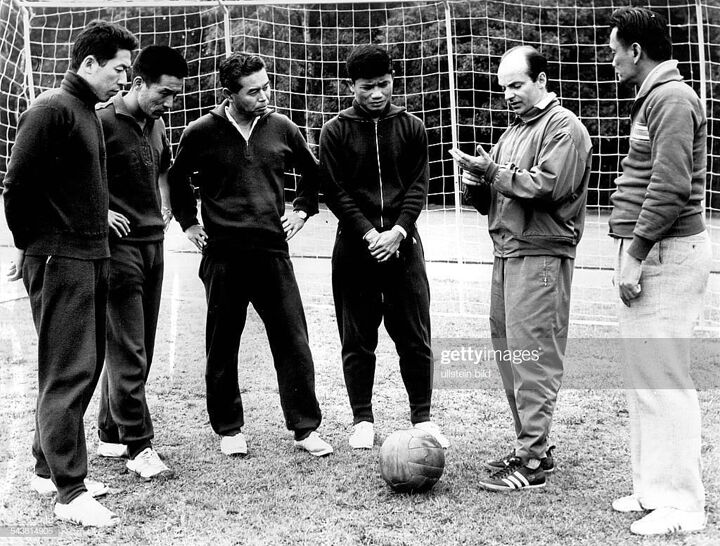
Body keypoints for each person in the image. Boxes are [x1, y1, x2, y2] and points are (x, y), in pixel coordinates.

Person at [3, 21, 137, 527]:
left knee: (82, 364)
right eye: (118, 69)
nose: (124, 80)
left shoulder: (87, 111)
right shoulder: (51, 108)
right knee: (69, 370)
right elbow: (17, 187)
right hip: (62, 259)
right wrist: (32, 246)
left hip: (91, 256)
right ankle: (70, 492)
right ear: (89, 63)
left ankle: (47, 469)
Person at [167, 53, 332, 458]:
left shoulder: (282, 127)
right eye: (253, 91)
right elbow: (176, 178)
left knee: (293, 341)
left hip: (272, 250)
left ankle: (305, 428)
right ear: (229, 93)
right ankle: (229, 429)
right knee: (222, 344)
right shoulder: (200, 131)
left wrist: (302, 209)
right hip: (222, 254)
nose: (264, 96)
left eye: (266, 87)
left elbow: (314, 172)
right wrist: (188, 223)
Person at [450, 46, 591, 491]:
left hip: (540, 255)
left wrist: (492, 172)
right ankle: (533, 447)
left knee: (533, 358)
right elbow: (494, 196)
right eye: (504, 87)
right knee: (510, 355)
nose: (508, 94)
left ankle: (531, 463)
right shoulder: (512, 131)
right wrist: (475, 182)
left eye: (517, 85)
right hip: (507, 253)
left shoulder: (563, 127)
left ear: (541, 80)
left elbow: (548, 186)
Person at [606, 7, 710, 535]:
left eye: (614, 51)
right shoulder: (654, 97)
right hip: (652, 251)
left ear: (636, 50)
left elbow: (670, 187)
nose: (612, 60)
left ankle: (683, 507)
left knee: (664, 379)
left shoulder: (670, 98)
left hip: (665, 253)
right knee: (645, 378)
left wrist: (636, 251)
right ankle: (653, 490)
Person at [320, 44, 448, 450]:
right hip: (355, 248)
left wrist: (398, 232)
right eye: (366, 87)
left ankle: (423, 418)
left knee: (415, 337)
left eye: (384, 84)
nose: (376, 94)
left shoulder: (412, 127)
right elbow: (334, 190)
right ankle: (362, 419)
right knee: (357, 339)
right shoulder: (334, 130)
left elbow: (418, 185)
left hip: (403, 246)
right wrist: (368, 233)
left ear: (393, 80)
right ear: (351, 87)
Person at [94, 45, 188, 481]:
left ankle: (110, 431)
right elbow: (67, 176)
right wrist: (100, 212)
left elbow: (164, 169)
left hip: (154, 244)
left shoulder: (158, 124)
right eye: (163, 93)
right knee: (129, 348)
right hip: (118, 250)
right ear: (137, 83)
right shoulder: (99, 121)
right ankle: (139, 446)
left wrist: (165, 202)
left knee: (140, 348)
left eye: (175, 95)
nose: (169, 102)